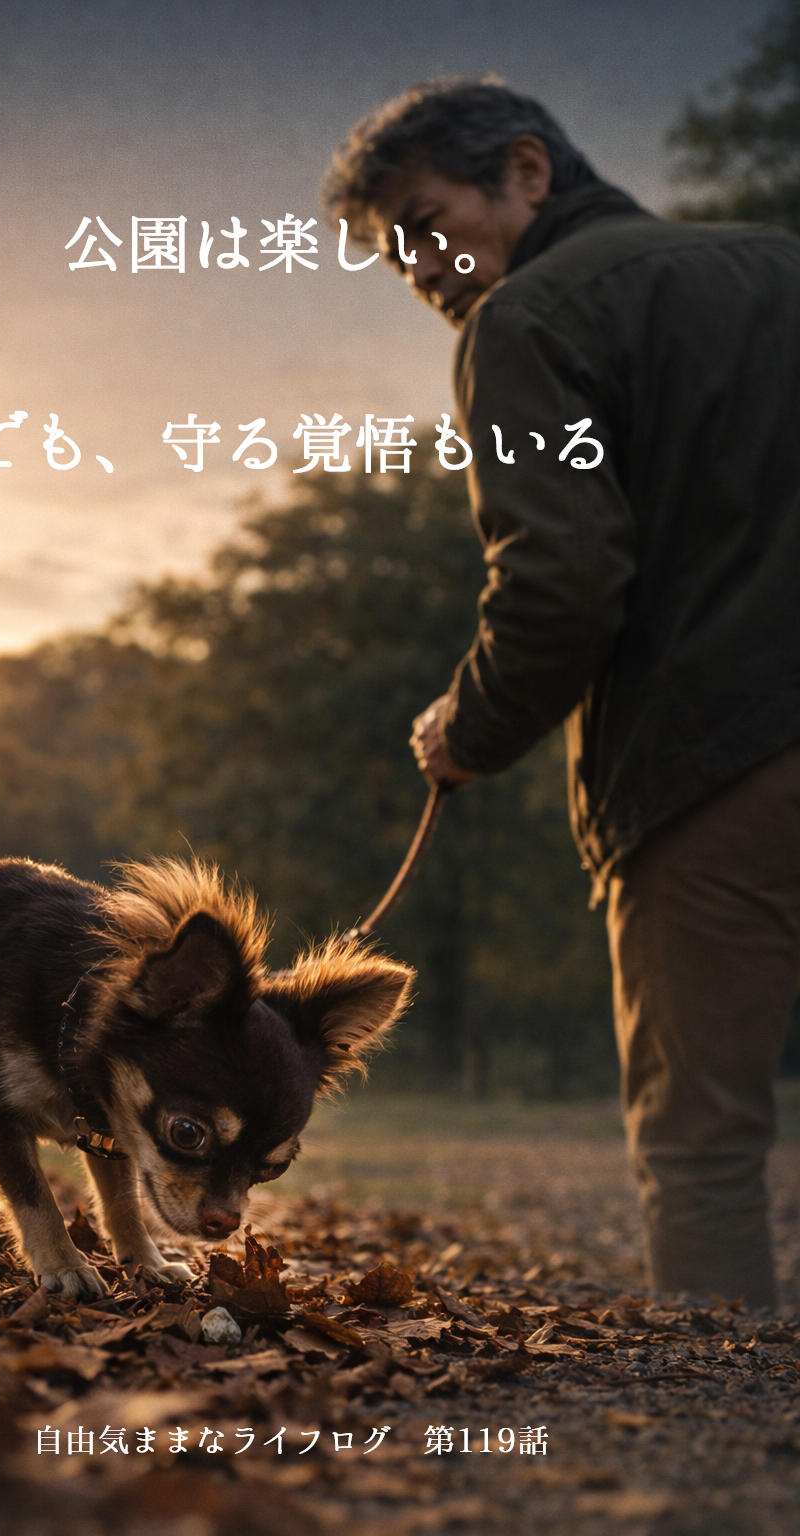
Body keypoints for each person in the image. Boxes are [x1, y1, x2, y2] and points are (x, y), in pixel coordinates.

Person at [322, 78, 800, 1309]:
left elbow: (562, 585)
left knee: (700, 1141)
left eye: (425, 222)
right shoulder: (779, 264)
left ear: (525, 174)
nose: (417, 266)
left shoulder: (524, 322)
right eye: (392, 251)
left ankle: (723, 1458)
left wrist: (465, 730)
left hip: (719, 766)